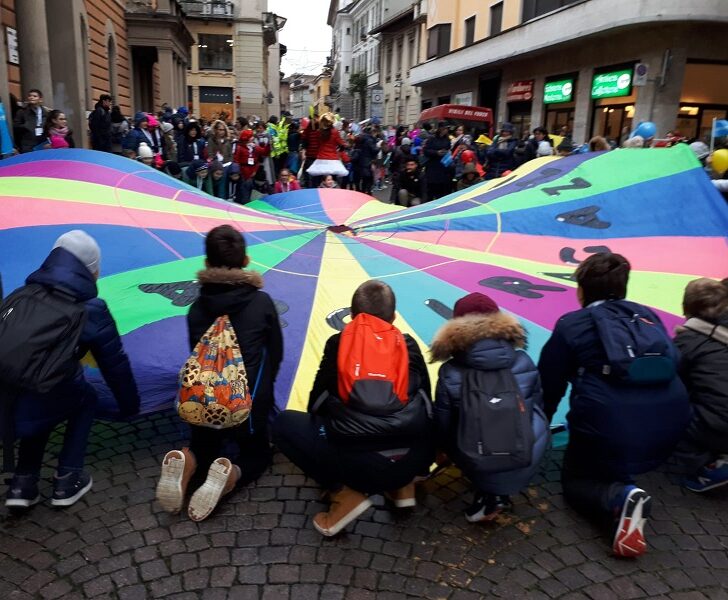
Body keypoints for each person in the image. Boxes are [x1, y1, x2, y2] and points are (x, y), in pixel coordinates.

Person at [538, 253, 691, 558]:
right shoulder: (647, 315)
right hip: (672, 421)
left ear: (582, 289)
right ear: (623, 286)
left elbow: (549, 384)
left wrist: (539, 425)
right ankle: (624, 480)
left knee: (577, 480)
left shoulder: (572, 324)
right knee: (617, 445)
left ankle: (619, 497)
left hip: (608, 424)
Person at [273, 280, 434, 536]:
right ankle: (401, 488)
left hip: (357, 464)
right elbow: (427, 405)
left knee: (283, 424)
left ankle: (345, 493)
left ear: (352, 314)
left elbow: (316, 404)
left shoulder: (338, 344)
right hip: (410, 461)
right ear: (393, 316)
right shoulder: (409, 345)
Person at [4, 231, 140, 508]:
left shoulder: (23, 294)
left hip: (8, 395)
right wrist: (130, 406)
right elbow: (115, 365)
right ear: (93, 271)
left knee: (46, 389)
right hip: (39, 395)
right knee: (83, 397)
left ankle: (22, 483)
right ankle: (68, 479)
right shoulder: (90, 309)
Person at [156, 225, 283, 521]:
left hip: (203, 400)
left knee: (204, 443)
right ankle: (230, 475)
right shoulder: (261, 303)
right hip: (244, 402)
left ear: (207, 263)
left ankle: (189, 460)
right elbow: (274, 354)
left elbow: (196, 356)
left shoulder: (198, 307)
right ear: (246, 260)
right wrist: (261, 399)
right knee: (257, 454)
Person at [430, 293, 549, 521]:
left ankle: (490, 494)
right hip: (527, 451)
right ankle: (498, 492)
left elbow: (442, 425)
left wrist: (440, 450)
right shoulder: (524, 360)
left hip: (477, 454)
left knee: (461, 425)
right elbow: (538, 406)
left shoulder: (450, 372)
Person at [673, 278, 728, 492]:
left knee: (668, 411)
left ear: (685, 308)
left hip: (719, 426)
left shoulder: (687, 343)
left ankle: (705, 468)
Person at [306, 113, 347, 181]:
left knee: (319, 181)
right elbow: (342, 145)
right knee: (332, 181)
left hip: (321, 159)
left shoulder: (318, 132)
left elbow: (316, 143)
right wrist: (339, 152)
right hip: (333, 160)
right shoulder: (335, 132)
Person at [234, 128, 270, 203]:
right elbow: (236, 161)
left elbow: (265, 152)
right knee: (244, 192)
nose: (253, 138)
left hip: (254, 173)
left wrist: (269, 144)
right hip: (243, 174)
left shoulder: (255, 147)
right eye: (251, 137)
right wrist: (239, 172)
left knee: (253, 193)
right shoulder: (239, 148)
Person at [423, 121, 453, 201]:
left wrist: (446, 152)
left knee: (441, 194)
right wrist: (436, 153)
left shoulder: (447, 140)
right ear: (440, 128)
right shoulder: (432, 139)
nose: (445, 130)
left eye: (446, 129)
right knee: (430, 192)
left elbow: (449, 150)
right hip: (432, 168)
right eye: (444, 128)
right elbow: (426, 151)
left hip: (443, 168)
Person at [13, 89, 50, 153]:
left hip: (42, 143)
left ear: (40, 99)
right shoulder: (22, 111)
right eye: (30, 96)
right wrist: (26, 126)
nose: (31, 97)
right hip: (27, 144)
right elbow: (15, 127)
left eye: (35, 96)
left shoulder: (46, 112)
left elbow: (50, 127)